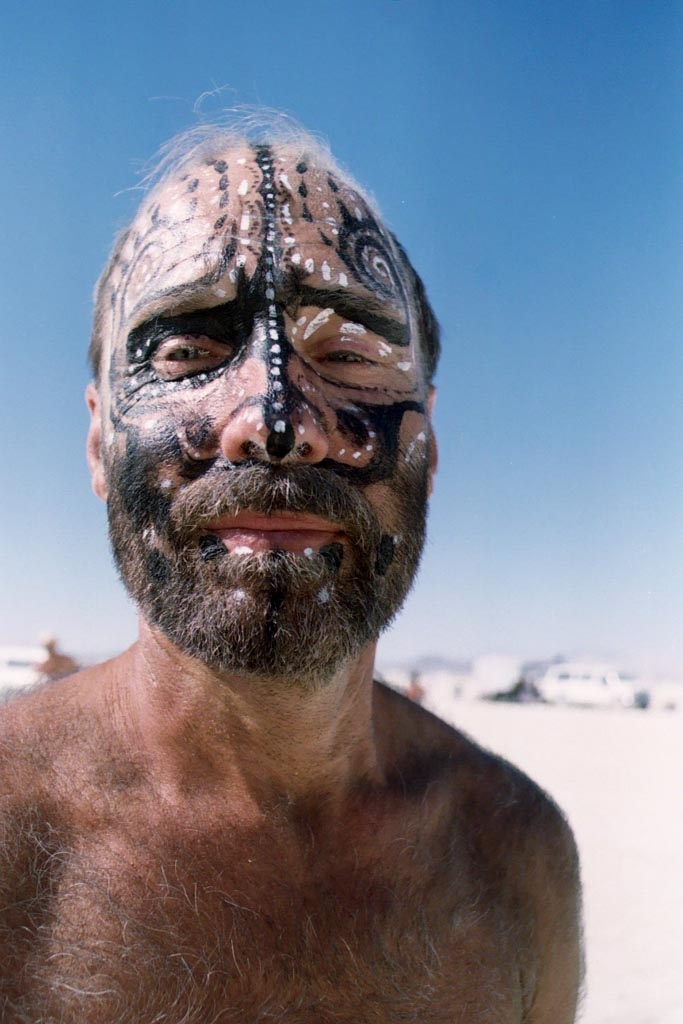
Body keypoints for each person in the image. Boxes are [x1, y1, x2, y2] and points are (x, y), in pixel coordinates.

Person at [0, 117, 583, 1021]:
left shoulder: (511, 853)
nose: (275, 421)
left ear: (427, 443)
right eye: (185, 352)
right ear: (95, 439)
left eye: (349, 355)